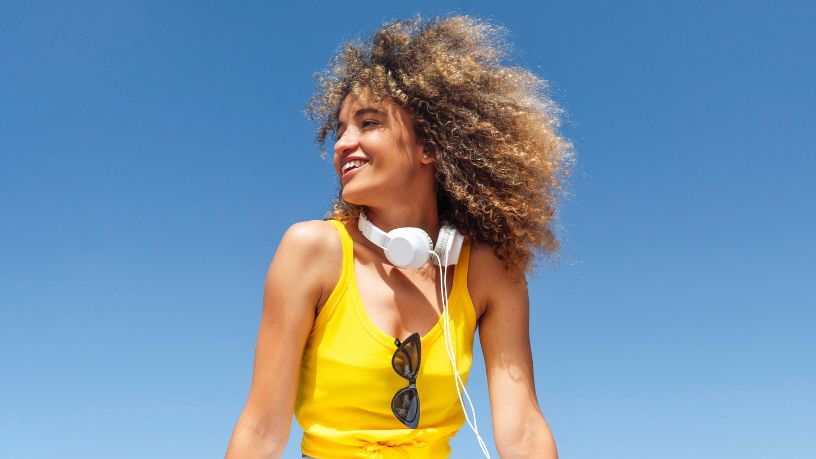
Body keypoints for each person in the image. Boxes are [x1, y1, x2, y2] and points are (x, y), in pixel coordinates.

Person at [226, 15, 572, 459]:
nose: (342, 144)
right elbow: (261, 430)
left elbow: (522, 430)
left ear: (430, 145)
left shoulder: (490, 271)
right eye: (340, 130)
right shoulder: (312, 250)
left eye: (368, 123)